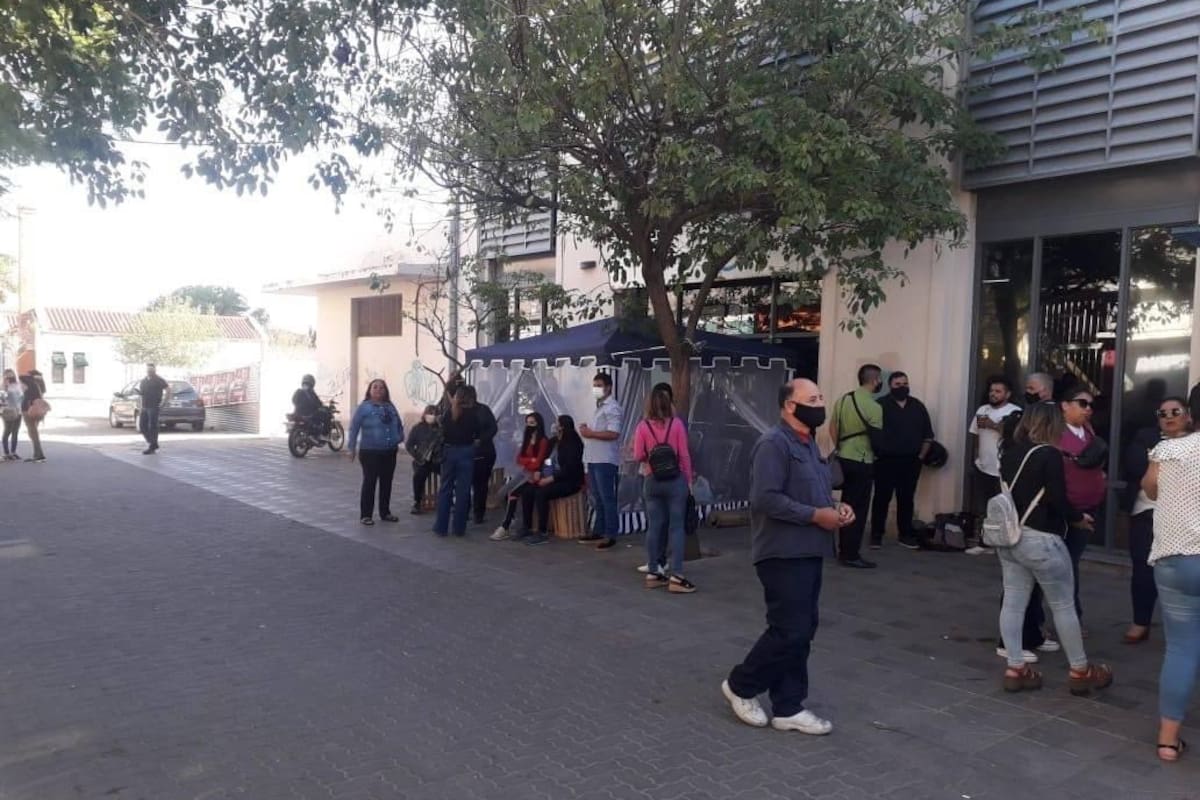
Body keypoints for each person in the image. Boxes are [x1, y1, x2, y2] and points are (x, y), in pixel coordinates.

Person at [723, 378, 852, 735]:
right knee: (789, 630)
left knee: (802, 630)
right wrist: (816, 516)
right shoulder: (773, 444)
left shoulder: (810, 444)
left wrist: (838, 509)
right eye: (813, 399)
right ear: (790, 406)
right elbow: (765, 498)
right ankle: (740, 686)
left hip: (810, 549)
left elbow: (818, 492)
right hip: (782, 552)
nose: (821, 403)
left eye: (822, 397)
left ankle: (788, 706)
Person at [995, 403, 1113, 697]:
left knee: (1013, 602)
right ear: (1050, 424)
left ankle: (1015, 668)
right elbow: (1059, 499)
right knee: (1062, 605)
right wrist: (1078, 519)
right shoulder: (1048, 454)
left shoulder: (1009, 452)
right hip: (1042, 539)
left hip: (1011, 538)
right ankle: (1080, 670)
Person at [1141, 391, 1200, 762]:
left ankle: (1167, 741)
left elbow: (1149, 489)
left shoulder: (1167, 450)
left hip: (1172, 558)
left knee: (1180, 649)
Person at [1123, 396, 1191, 644]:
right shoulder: (1146, 436)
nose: (1169, 417)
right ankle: (1140, 622)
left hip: (1183, 518)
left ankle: (1182, 626)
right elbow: (1134, 465)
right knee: (1142, 569)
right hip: (1146, 512)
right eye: (1163, 413)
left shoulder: (1193, 442)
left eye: (1175, 411)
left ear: (1188, 415)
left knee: (1181, 572)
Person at [634, 383, 695, 593]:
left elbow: (638, 455)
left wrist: (652, 455)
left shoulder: (642, 426)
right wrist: (688, 480)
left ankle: (653, 572)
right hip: (675, 480)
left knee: (654, 526)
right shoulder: (677, 425)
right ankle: (677, 576)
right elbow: (684, 454)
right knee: (676, 527)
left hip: (652, 480)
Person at [870, 371, 934, 550]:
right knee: (881, 498)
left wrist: (920, 457)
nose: (902, 387)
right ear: (890, 386)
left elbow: (928, 435)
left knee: (906, 499)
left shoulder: (918, 406)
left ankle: (905, 535)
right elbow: (871, 433)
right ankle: (876, 535)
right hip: (885, 461)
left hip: (911, 461)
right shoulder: (880, 405)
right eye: (898, 384)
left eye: (905, 383)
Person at [1059, 386, 1106, 623]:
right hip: (1066, 508)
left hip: (1088, 506)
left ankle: (1071, 614)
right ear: (1065, 405)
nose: (1088, 409)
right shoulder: (1056, 433)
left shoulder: (1088, 432)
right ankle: (1068, 615)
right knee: (1062, 565)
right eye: (1082, 403)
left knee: (1072, 562)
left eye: (1090, 405)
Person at [828, 364, 883, 568]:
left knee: (845, 504)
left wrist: (841, 447)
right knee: (857, 509)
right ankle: (850, 554)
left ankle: (842, 549)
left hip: (843, 457)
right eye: (879, 380)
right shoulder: (875, 407)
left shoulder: (843, 400)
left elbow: (832, 427)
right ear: (875, 380)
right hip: (863, 460)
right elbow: (877, 441)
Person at [968, 376, 1021, 540]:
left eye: (998, 391)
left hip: (1002, 470)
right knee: (982, 507)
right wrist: (977, 457)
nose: (993, 394)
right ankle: (984, 541)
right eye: (991, 391)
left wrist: (994, 425)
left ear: (1007, 394)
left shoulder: (1015, 411)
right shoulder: (982, 410)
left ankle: (1003, 541)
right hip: (983, 467)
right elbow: (975, 434)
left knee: (1003, 509)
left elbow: (1016, 436)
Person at [346, 379, 403, 526]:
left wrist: (399, 437)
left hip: (389, 451)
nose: (378, 390)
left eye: (381, 387)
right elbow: (354, 428)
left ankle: (385, 512)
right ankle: (366, 515)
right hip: (370, 451)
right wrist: (351, 448)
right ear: (369, 390)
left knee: (387, 482)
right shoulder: (364, 408)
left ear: (386, 391)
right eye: (375, 387)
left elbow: (398, 423)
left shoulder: (390, 407)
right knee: (370, 482)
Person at [524, 415, 587, 546]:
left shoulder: (573, 444)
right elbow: (546, 460)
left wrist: (549, 479)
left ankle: (542, 532)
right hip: (551, 476)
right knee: (528, 490)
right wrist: (540, 472)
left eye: (557, 423)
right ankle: (527, 526)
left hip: (569, 481)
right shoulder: (553, 442)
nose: (554, 426)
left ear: (562, 427)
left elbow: (569, 469)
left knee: (542, 493)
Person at [578, 371, 623, 550]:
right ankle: (599, 529)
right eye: (594, 386)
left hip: (605, 459)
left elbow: (614, 433)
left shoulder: (612, 407)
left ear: (609, 387)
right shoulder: (598, 406)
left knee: (607, 498)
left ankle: (610, 533)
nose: (596, 389)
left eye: (599, 386)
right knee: (597, 497)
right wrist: (586, 429)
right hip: (592, 457)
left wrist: (592, 433)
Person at [490, 412, 552, 541]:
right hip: (524, 471)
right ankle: (513, 518)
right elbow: (519, 458)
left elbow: (538, 461)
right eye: (528, 423)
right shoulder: (527, 439)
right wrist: (530, 460)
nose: (529, 426)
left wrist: (530, 461)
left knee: (514, 493)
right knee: (502, 492)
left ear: (538, 424)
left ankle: (505, 526)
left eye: (532, 423)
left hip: (533, 473)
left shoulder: (543, 440)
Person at [434, 384, 482, 537]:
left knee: (445, 489)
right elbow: (477, 434)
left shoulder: (449, 413)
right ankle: (459, 528)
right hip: (466, 451)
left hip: (449, 451)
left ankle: (441, 527)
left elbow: (443, 431)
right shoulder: (474, 415)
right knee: (463, 491)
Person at [469, 388, 499, 525]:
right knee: (465, 483)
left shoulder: (483, 410)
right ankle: (464, 511)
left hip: (484, 452)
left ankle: (478, 514)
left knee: (480, 484)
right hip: (467, 453)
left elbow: (493, 428)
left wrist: (481, 439)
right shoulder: (459, 410)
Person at [405, 404, 443, 514]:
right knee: (418, 477)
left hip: (438, 460)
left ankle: (448, 500)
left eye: (435, 413)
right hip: (422, 460)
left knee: (449, 474)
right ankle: (417, 502)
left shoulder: (441, 428)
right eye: (430, 413)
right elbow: (409, 445)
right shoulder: (418, 428)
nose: (432, 416)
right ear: (425, 414)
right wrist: (417, 456)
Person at [138, 363, 170, 455]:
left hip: (154, 406)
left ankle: (152, 446)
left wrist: (164, 402)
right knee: (142, 426)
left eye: (152, 370)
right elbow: (141, 395)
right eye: (148, 370)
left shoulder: (159, 380)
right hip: (144, 406)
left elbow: (168, 390)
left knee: (153, 426)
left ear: (155, 370)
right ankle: (153, 443)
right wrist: (140, 406)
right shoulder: (143, 381)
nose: (150, 371)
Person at [20, 369, 46, 463]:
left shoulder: (32, 384)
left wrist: (31, 376)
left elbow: (21, 377)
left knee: (33, 433)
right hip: (36, 410)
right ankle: (37, 454)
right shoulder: (40, 384)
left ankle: (39, 455)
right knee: (34, 433)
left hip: (29, 410)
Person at [1, 369, 23, 461]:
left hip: (18, 411)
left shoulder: (18, 385)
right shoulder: (3, 386)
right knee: (7, 431)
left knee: (15, 432)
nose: (10, 377)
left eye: (11, 375)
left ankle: (13, 452)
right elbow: (3, 399)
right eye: (7, 375)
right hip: (8, 411)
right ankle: (6, 453)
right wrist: (5, 387)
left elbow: (21, 397)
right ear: (4, 377)